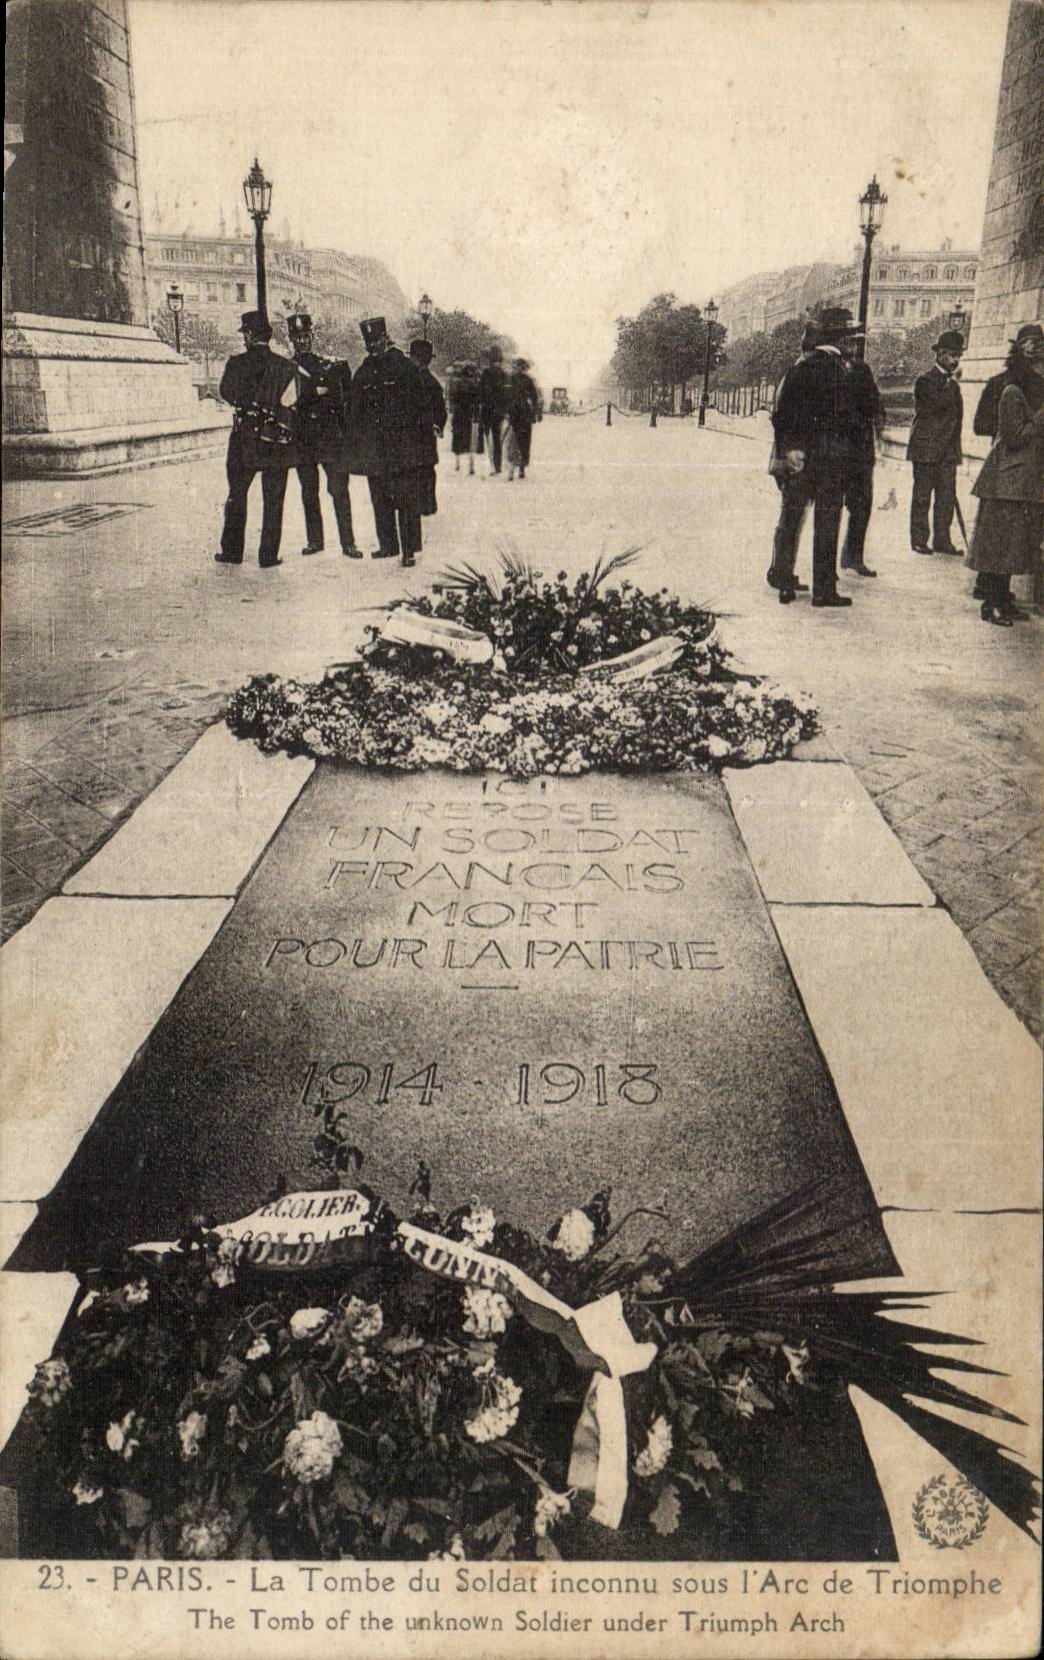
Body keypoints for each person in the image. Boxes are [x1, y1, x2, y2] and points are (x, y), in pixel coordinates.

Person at [767, 307, 855, 608]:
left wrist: (792, 449)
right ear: (838, 339)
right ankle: (824, 590)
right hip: (830, 460)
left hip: (801, 458)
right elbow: (848, 420)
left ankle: (781, 575)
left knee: (791, 517)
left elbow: (781, 414)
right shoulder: (839, 370)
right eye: (848, 337)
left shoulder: (800, 367)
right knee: (827, 522)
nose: (851, 344)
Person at [966, 326, 1044, 626]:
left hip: (1024, 480)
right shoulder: (1012, 390)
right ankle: (992, 603)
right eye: (1032, 346)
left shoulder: (1029, 387)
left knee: (1014, 544)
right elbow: (1014, 437)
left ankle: (1003, 599)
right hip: (1007, 480)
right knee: (1002, 545)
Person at [215, 310, 297, 568]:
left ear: (250, 335)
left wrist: (246, 402)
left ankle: (232, 552)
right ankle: (268, 556)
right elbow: (293, 402)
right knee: (274, 500)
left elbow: (225, 392)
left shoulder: (236, 363)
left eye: (245, 334)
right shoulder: (286, 366)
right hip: (274, 441)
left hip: (244, 438)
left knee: (237, 495)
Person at [351, 316, 431, 568]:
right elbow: (354, 407)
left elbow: (421, 405)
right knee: (381, 496)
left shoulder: (404, 366)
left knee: (406, 497)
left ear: (386, 338)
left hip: (402, 445)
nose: (373, 347)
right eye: (369, 343)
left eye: (377, 341)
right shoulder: (365, 369)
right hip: (376, 447)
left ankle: (408, 549)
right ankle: (388, 545)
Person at [286, 312, 361, 559]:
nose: (302, 342)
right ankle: (315, 540)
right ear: (290, 339)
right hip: (303, 439)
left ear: (312, 336)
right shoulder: (286, 369)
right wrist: (313, 394)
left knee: (339, 490)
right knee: (309, 491)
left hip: (329, 439)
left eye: (306, 336)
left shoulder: (328, 365)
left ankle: (348, 543)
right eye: (297, 338)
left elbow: (341, 399)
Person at [766, 324, 817, 598]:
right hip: (791, 458)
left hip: (790, 456)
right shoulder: (799, 373)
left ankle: (781, 570)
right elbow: (781, 419)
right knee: (791, 517)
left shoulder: (795, 372)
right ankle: (780, 573)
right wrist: (791, 455)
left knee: (792, 517)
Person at [907, 330, 965, 556]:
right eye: (952, 355)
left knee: (946, 498)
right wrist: (951, 384)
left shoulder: (954, 386)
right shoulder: (925, 381)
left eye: (958, 355)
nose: (956, 360)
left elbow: (956, 421)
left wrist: (955, 450)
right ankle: (919, 540)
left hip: (947, 452)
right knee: (922, 497)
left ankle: (943, 540)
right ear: (940, 355)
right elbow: (936, 406)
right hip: (926, 449)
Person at [838, 329, 884, 578]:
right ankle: (825, 566)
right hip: (837, 450)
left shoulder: (863, 371)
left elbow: (875, 402)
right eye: (850, 342)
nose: (854, 348)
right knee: (831, 509)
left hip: (861, 451)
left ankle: (853, 556)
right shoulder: (830, 371)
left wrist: (877, 419)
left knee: (862, 505)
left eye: (857, 343)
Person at [408, 337, 448, 522]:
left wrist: (437, 425)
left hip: (418, 431)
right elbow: (441, 410)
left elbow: (440, 409)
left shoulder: (418, 380)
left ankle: (424, 503)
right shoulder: (431, 381)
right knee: (425, 468)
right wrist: (438, 425)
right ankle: (427, 504)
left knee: (421, 468)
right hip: (424, 431)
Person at [505, 358, 540, 480]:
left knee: (516, 442)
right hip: (522, 413)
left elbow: (535, 398)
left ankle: (517, 469)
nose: (518, 369)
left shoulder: (512, 379)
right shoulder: (527, 380)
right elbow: (535, 398)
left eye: (519, 366)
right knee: (522, 442)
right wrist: (536, 413)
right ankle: (519, 468)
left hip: (518, 413)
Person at [479, 344, 509, 475]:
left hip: (487, 410)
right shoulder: (505, 375)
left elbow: (481, 392)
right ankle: (498, 466)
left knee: (487, 437)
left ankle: (491, 465)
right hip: (500, 411)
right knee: (497, 439)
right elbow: (508, 394)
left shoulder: (486, 373)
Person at [449, 362, 483, 474]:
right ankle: (470, 465)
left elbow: (453, 398)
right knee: (470, 440)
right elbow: (478, 400)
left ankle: (459, 463)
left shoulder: (458, 383)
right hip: (469, 414)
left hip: (460, 414)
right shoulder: (476, 384)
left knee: (459, 439)